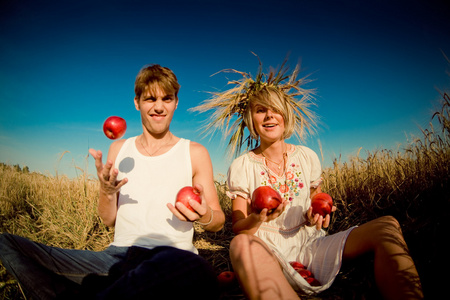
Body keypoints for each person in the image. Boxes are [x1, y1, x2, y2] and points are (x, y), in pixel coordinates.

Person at [192, 58, 423, 300]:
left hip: (311, 245)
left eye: (275, 109)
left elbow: (317, 201)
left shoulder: (307, 156)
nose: (269, 115)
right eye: (261, 110)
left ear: (285, 116)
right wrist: (256, 218)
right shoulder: (242, 165)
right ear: (252, 121)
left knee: (387, 225)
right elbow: (239, 228)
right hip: (267, 251)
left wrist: (319, 215)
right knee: (238, 245)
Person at [0, 64, 225, 299]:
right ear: (137, 102)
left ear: (176, 102)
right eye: (150, 99)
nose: (159, 107)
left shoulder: (194, 152)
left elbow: (218, 222)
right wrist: (106, 191)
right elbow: (109, 220)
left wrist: (204, 215)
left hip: (173, 258)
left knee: (194, 267)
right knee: (7, 243)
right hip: (116, 258)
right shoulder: (119, 148)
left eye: (166, 99)